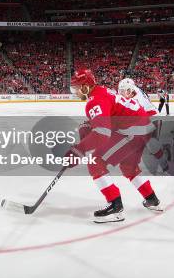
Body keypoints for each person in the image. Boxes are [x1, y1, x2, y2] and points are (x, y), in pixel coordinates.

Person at [68, 69, 162, 223]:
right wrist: (90, 126)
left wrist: (78, 150)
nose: (75, 93)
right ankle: (152, 199)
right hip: (142, 127)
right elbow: (109, 121)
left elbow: (102, 133)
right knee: (128, 167)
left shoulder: (95, 100)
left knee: (96, 161)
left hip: (133, 130)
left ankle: (115, 206)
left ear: (85, 87)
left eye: (76, 89)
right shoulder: (103, 91)